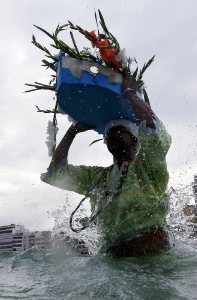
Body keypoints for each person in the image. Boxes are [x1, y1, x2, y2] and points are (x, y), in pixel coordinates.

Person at [41, 74, 172, 257]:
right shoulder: (97, 179)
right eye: (109, 133)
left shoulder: (147, 166)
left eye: (120, 131)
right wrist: (72, 132)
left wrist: (129, 92)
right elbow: (58, 172)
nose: (112, 135)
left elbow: (152, 128)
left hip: (155, 262)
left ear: (135, 140)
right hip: (114, 266)